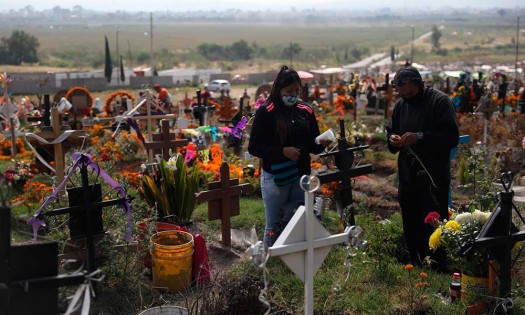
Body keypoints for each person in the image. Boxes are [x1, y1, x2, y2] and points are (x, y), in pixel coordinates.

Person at [248, 65, 330, 248]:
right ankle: (270, 263)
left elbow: (311, 144)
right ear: (278, 90)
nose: (293, 95)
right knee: (274, 225)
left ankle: (292, 261)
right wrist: (282, 151)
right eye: (288, 91)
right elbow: (254, 147)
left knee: (297, 221)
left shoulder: (305, 111)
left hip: (300, 176)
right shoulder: (267, 112)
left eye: (296, 91)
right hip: (276, 178)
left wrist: (321, 144)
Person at [386, 66, 459, 269]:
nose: (407, 98)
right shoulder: (401, 105)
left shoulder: (440, 102)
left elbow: (451, 137)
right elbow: (391, 131)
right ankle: (416, 265)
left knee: (433, 227)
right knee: (411, 226)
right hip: (408, 177)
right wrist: (392, 139)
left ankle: (437, 267)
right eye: (402, 94)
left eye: (410, 93)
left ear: (422, 85)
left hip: (432, 178)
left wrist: (419, 137)